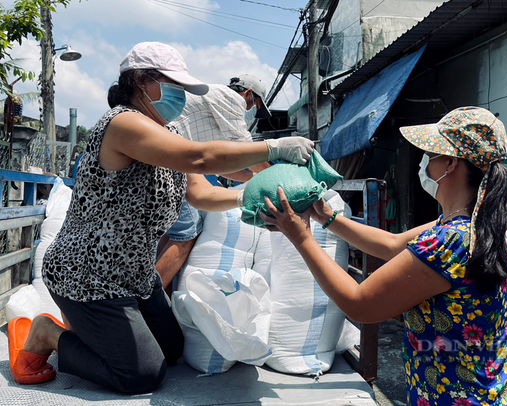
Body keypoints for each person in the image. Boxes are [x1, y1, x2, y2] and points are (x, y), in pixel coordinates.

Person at [7, 41, 313, 393]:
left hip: (135, 274)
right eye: (173, 85)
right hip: (87, 276)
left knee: (171, 351)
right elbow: (199, 158)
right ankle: (49, 333)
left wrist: (249, 195)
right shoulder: (123, 124)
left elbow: (201, 193)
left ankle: (95, 332)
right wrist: (272, 147)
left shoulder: (170, 133)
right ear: (140, 80)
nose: (180, 95)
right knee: (142, 374)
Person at [261, 107, 507, 405]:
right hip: (498, 387)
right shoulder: (482, 223)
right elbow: (391, 244)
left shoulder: (449, 242)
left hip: (459, 396)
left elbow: (360, 305)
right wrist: (329, 218)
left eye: (430, 153)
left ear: (451, 163)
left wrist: (300, 237)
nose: (424, 162)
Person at [156, 75, 272, 295]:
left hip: (169, 157)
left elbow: (223, 166)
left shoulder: (215, 114)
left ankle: (162, 291)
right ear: (247, 93)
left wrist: (254, 178)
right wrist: (275, 174)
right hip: (171, 159)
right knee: (186, 234)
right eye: (253, 104)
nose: (251, 110)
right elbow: (248, 151)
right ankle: (149, 299)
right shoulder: (231, 100)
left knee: (172, 231)